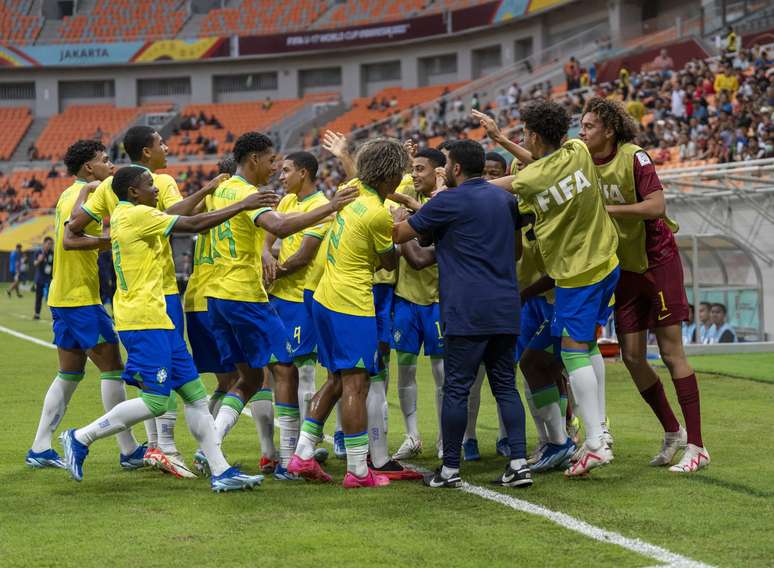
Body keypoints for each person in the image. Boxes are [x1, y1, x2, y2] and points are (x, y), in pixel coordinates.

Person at [60, 165, 276, 492]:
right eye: (149, 185)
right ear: (133, 191)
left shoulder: (129, 213)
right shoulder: (136, 215)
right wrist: (241, 206)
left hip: (157, 316)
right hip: (143, 319)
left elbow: (183, 216)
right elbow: (192, 224)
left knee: (195, 395)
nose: (156, 190)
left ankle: (221, 472)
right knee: (158, 402)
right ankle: (80, 437)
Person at [68, 125, 222, 478]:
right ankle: (161, 446)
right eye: (161, 143)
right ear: (147, 155)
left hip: (140, 294)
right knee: (157, 388)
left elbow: (73, 229)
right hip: (155, 295)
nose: (167, 147)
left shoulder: (110, 187)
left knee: (183, 386)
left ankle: (212, 466)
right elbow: (183, 220)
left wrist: (111, 239)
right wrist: (210, 189)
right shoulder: (157, 185)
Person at [203, 132, 357, 481]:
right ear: (254, 159)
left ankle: (212, 451)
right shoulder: (249, 194)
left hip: (217, 294)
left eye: (282, 165)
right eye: (273, 161)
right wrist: (332, 206)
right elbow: (280, 228)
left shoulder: (224, 188)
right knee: (286, 370)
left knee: (253, 377)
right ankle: (290, 457)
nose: (276, 169)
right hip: (246, 295)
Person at [579, 96, 709, 473]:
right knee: (632, 356)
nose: (583, 132)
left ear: (609, 129)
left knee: (671, 353)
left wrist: (607, 211)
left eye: (588, 126)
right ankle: (673, 432)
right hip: (625, 268)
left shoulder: (635, 157)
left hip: (658, 262)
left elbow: (656, 207)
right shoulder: (584, 161)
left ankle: (698, 446)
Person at [394, 140, 531, 489]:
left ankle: (450, 468)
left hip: (466, 307)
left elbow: (402, 234)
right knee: (505, 385)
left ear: (454, 169)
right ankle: (518, 462)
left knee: (456, 387)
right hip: (504, 304)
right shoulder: (505, 199)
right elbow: (516, 251)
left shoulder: (448, 201)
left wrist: (399, 217)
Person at [493, 100, 619, 477]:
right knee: (587, 346)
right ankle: (599, 433)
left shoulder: (530, 180)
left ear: (533, 135)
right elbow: (541, 163)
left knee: (573, 352)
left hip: (576, 274)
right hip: (607, 262)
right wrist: (503, 140)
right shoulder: (578, 150)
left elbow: (498, 187)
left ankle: (595, 443)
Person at [288, 138, 408, 489]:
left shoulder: (351, 190)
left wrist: (344, 155)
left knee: (337, 380)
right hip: (350, 302)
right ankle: (358, 470)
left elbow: (359, 173)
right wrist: (397, 225)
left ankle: (303, 454)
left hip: (324, 296)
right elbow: (388, 262)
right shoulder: (376, 214)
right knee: (357, 384)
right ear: (389, 179)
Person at [26, 140, 146, 470]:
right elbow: (71, 239)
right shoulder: (86, 194)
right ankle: (129, 449)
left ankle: (39, 446)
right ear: (89, 167)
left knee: (69, 373)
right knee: (113, 368)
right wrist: (112, 241)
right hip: (80, 298)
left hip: (63, 296)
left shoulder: (69, 194)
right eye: (106, 160)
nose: (111, 165)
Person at [263, 151, 332, 469]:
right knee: (280, 372)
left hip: (302, 298)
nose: (281, 175)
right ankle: (291, 447)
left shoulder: (320, 206)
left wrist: (271, 273)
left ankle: (304, 445)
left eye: (287, 170)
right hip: (280, 297)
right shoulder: (288, 202)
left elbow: (304, 256)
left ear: (304, 172)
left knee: (303, 371)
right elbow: (271, 233)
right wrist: (265, 252)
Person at [183, 154, 245, 474]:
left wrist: (208, 190)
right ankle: (211, 448)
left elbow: (186, 212)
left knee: (225, 382)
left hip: (196, 299)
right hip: (218, 299)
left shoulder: (207, 204)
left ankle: (204, 447)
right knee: (247, 379)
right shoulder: (239, 201)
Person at [390, 148, 447, 462]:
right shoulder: (408, 193)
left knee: (442, 373)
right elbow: (390, 185)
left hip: (438, 299)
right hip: (406, 299)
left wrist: (402, 230)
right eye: (413, 168)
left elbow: (421, 258)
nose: (415, 174)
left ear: (439, 171)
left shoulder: (447, 202)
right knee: (406, 370)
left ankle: (443, 436)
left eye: (421, 169)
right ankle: (412, 436)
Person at [32, 237, 54, 320]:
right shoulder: (39, 252)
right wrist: (39, 260)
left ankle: (54, 315)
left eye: (51, 244)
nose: (50, 246)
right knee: (39, 297)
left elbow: (53, 265)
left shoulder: (51, 253)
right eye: (49, 244)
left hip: (49, 278)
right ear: (44, 243)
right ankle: (37, 314)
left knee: (51, 297)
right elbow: (35, 264)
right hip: (40, 278)